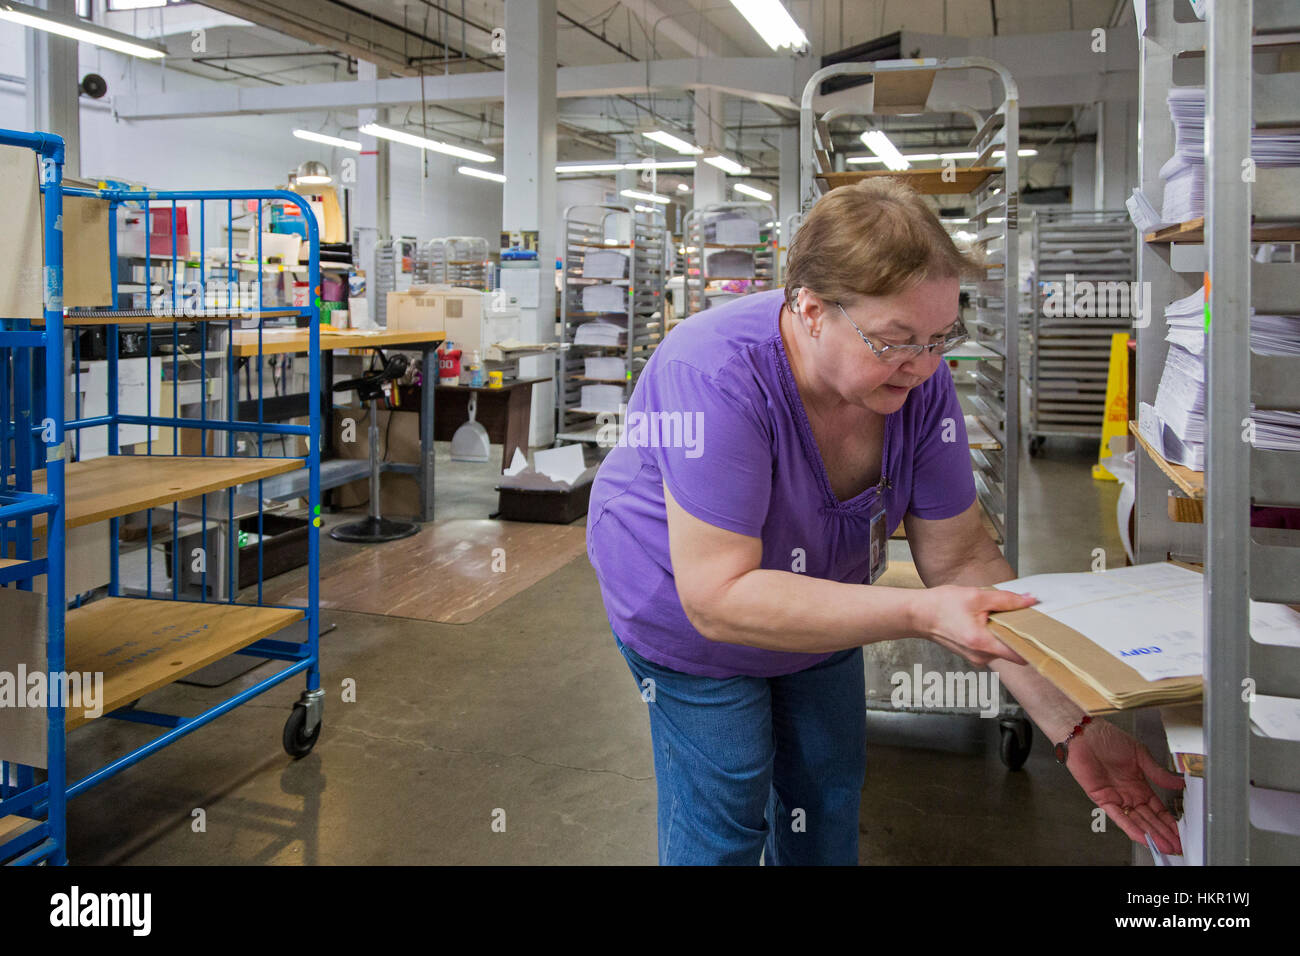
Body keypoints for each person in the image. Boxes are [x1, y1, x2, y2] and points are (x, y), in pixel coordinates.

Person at [586, 178, 1184, 866]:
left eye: (939, 337)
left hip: (820, 594)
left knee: (827, 791)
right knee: (727, 806)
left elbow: (962, 563)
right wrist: (922, 615)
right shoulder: (715, 372)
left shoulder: (919, 385)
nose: (925, 365)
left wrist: (1071, 722)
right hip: (687, 609)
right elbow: (719, 596)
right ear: (811, 311)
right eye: (896, 339)